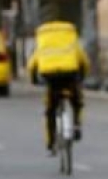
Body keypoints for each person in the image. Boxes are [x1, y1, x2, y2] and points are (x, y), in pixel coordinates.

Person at [27, 21, 90, 154]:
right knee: (77, 102)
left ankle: (51, 143)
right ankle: (77, 125)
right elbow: (83, 61)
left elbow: (32, 65)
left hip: (50, 76)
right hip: (70, 75)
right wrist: (82, 76)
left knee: (50, 110)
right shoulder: (71, 41)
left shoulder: (43, 44)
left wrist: (33, 79)